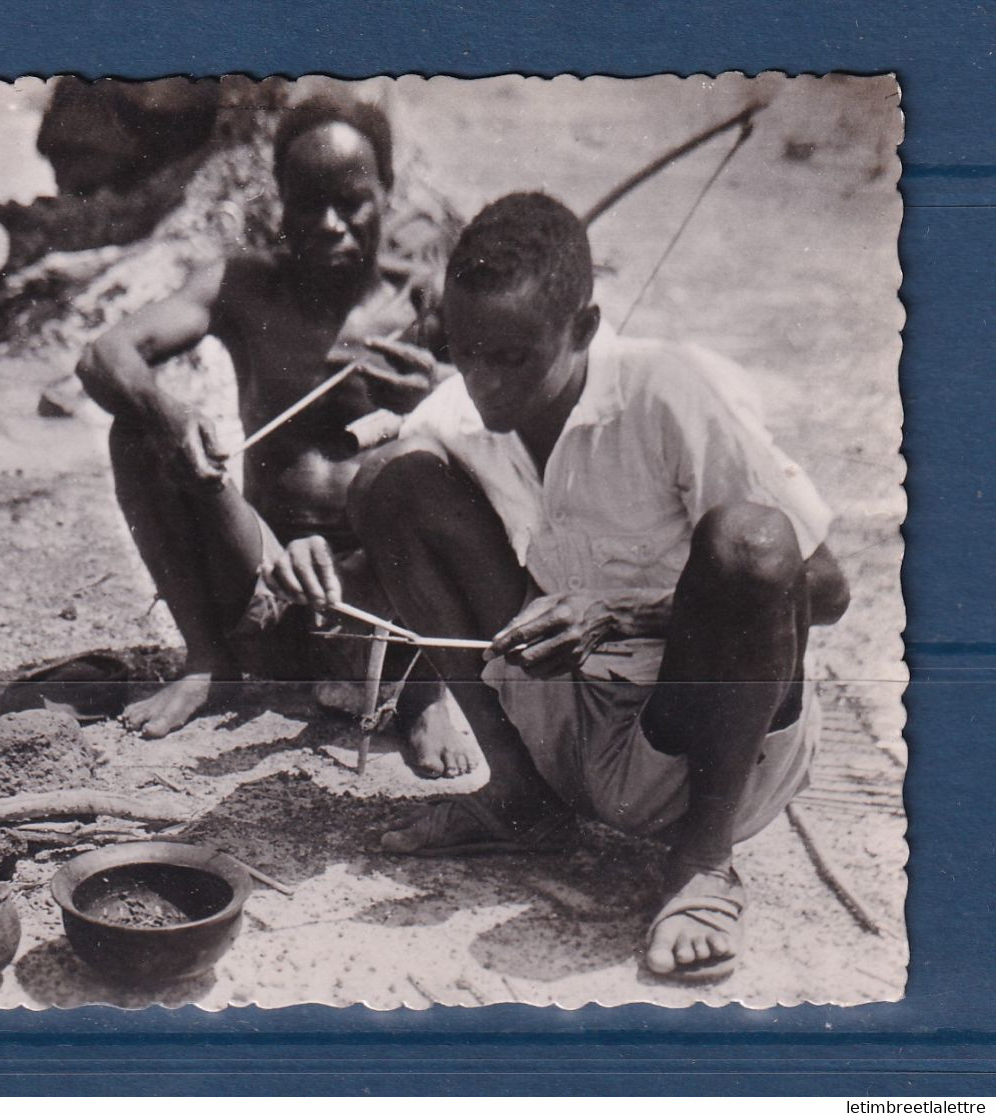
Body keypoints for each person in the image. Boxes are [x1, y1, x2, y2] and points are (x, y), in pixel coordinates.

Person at [278, 192, 850, 982]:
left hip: (701, 737)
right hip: (569, 727)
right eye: (464, 351)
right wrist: (300, 553)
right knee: (390, 481)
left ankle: (702, 864)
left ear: (583, 328)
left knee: (748, 542)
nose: (483, 383)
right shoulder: (461, 408)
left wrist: (619, 615)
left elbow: (818, 586)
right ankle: (520, 799)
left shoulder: (668, 392)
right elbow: (365, 511)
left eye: (512, 358)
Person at [76, 95, 432, 738]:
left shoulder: (428, 304)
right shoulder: (244, 286)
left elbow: (506, 430)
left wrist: (436, 390)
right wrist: (169, 413)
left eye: (350, 200)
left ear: (388, 191)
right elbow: (104, 356)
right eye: (306, 202)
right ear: (281, 203)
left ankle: (430, 694)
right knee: (137, 431)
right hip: (259, 564)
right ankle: (209, 660)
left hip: (382, 583)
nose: (328, 224)